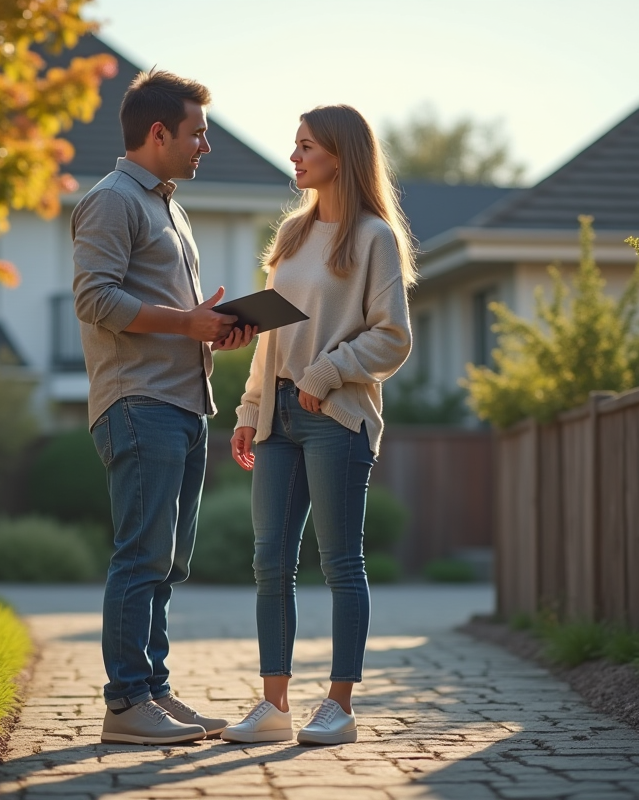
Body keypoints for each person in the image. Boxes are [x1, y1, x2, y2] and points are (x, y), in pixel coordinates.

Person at [221, 105, 416, 746]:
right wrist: (251, 410)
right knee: (270, 561)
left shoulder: (373, 239)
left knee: (340, 563)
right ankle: (273, 706)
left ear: (341, 154)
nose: (295, 156)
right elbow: (269, 336)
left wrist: (327, 373)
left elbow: (393, 337)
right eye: (295, 145)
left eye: (307, 146)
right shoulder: (293, 236)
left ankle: (339, 707)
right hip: (277, 417)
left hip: (336, 419)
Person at [72, 69, 257, 745]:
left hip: (183, 403)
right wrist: (185, 324)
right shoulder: (112, 201)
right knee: (141, 556)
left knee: (169, 561)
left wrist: (211, 325)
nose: (205, 145)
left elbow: (174, 316)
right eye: (197, 133)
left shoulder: (169, 206)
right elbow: (94, 299)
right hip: (137, 402)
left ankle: (152, 690)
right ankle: (125, 704)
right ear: (158, 133)